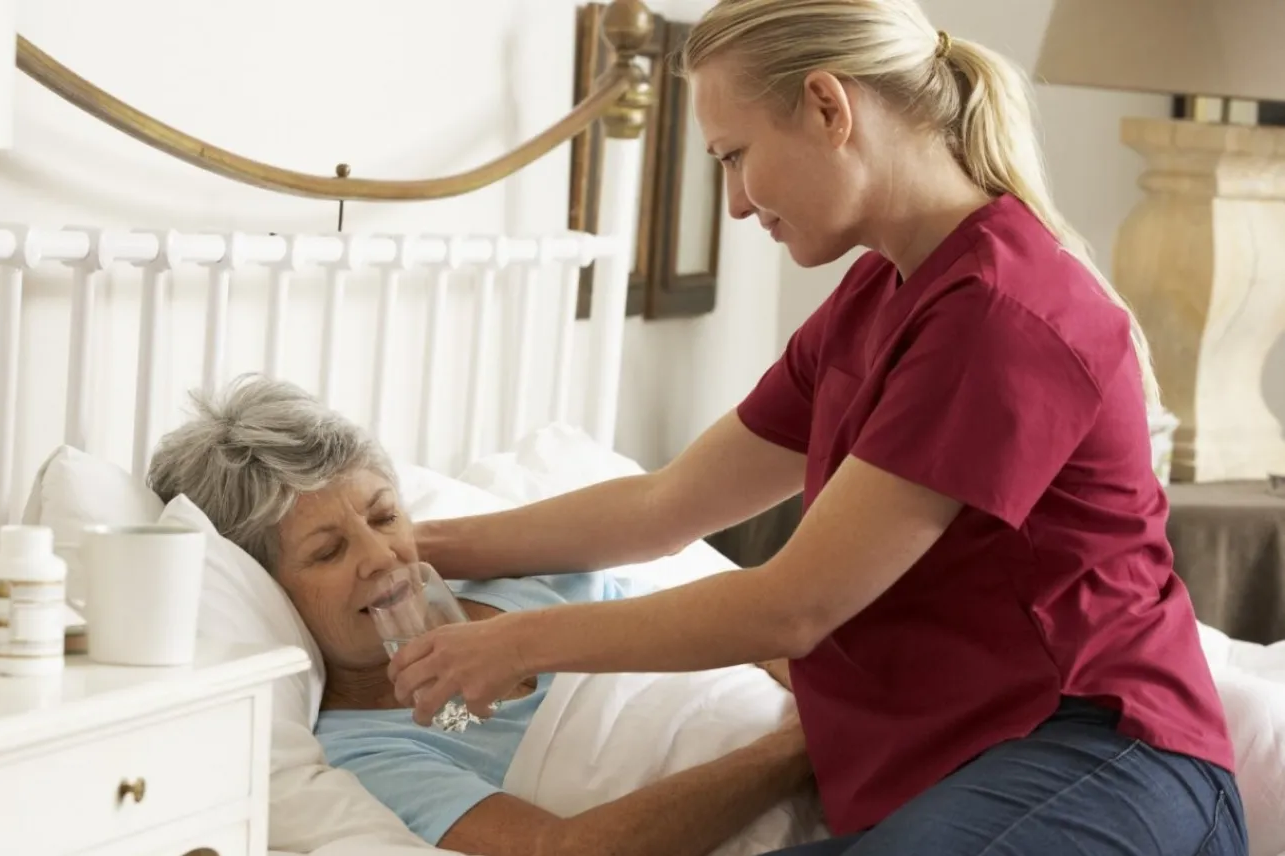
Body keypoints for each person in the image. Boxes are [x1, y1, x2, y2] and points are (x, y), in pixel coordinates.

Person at [386, 1, 1250, 854]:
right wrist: (416, 548)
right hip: (959, 777)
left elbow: (793, 607)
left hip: (1099, 758)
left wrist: (514, 644)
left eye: (736, 156)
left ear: (830, 107)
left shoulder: (998, 310)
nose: (732, 203)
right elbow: (663, 506)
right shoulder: (877, 297)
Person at [145, 376, 818, 856]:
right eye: (327, 551)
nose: (383, 556)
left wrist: (819, 693)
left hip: (857, 734)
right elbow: (564, 851)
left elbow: (732, 624)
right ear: (270, 595)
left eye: (384, 516)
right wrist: (799, 749)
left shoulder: (522, 579)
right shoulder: (367, 750)